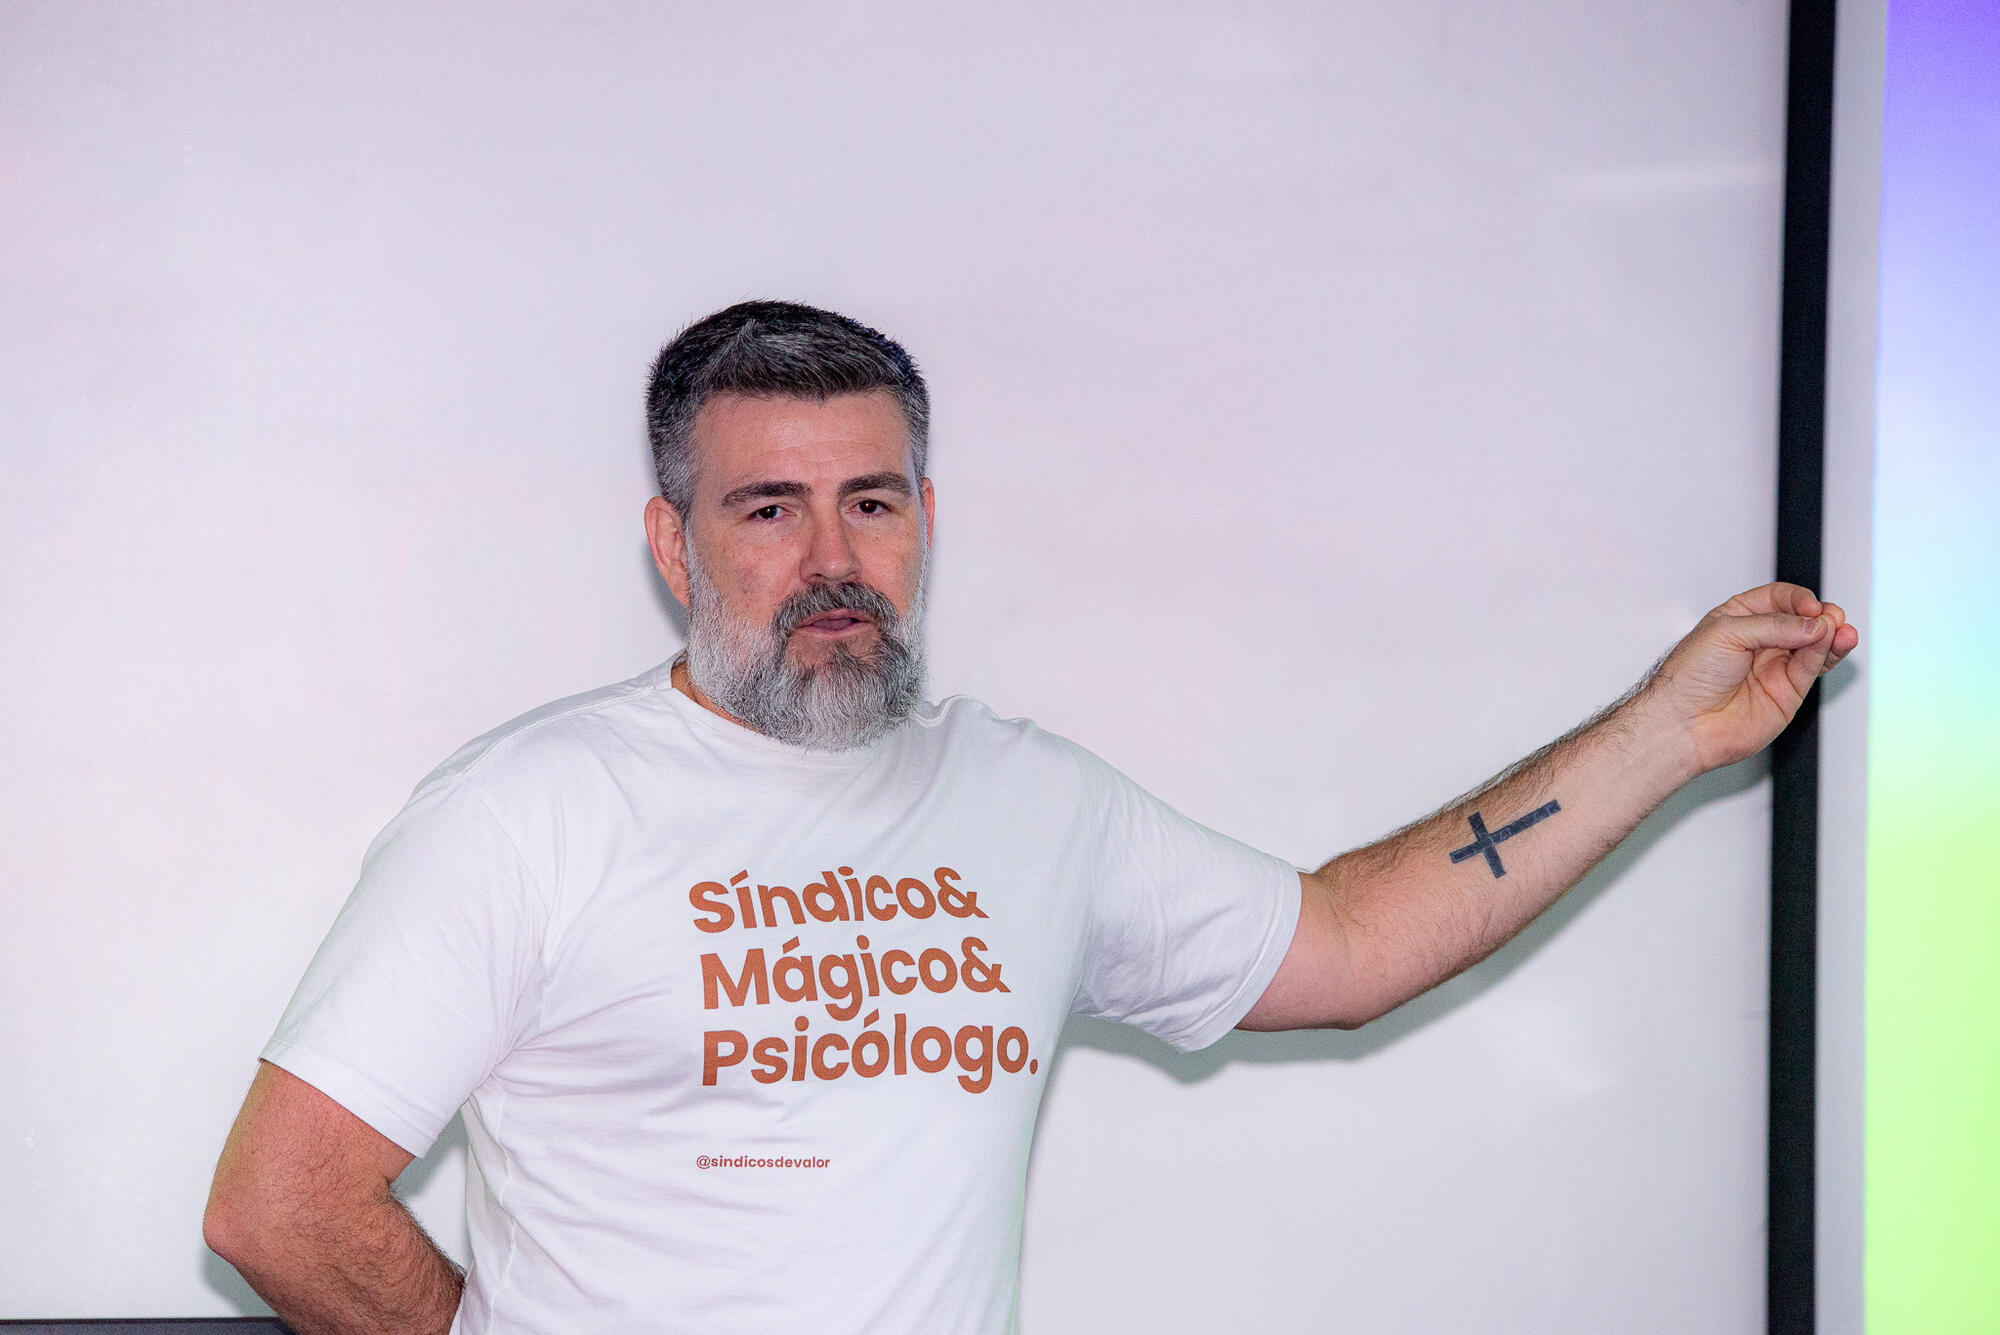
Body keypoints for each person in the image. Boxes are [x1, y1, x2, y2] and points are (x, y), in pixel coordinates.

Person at [202, 300, 1858, 1334]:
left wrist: (1663, 735)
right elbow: (281, 1207)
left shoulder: (1027, 800)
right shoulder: (534, 810)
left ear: (926, 519)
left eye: (870, 503)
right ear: (671, 541)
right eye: (767, 509)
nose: (832, 560)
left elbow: (1351, 940)